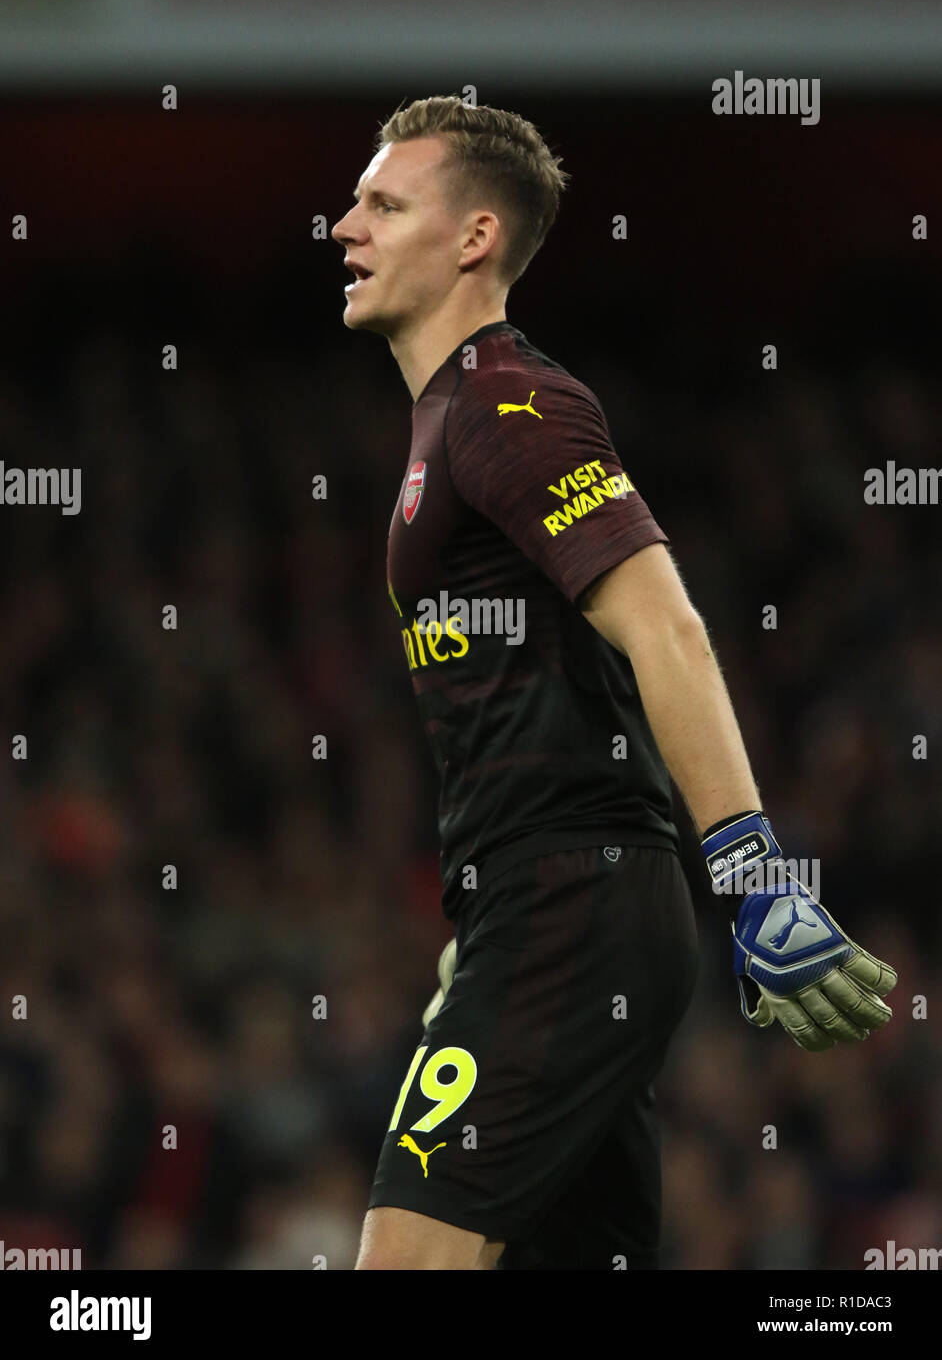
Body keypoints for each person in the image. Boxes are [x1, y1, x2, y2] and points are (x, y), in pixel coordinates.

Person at [330, 95, 898, 1271]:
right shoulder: (449, 420)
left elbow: (668, 629)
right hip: (548, 910)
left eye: (383, 203)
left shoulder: (510, 404)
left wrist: (756, 877)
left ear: (474, 237)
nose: (345, 226)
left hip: (572, 909)